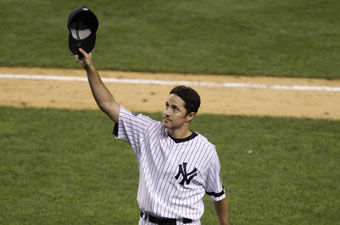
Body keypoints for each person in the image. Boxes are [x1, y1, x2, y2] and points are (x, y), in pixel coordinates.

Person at [74, 48, 230, 225]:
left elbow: (218, 195)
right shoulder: (146, 131)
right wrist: (89, 67)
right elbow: (107, 104)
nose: (166, 112)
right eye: (166, 105)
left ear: (190, 116)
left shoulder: (205, 151)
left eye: (174, 109)